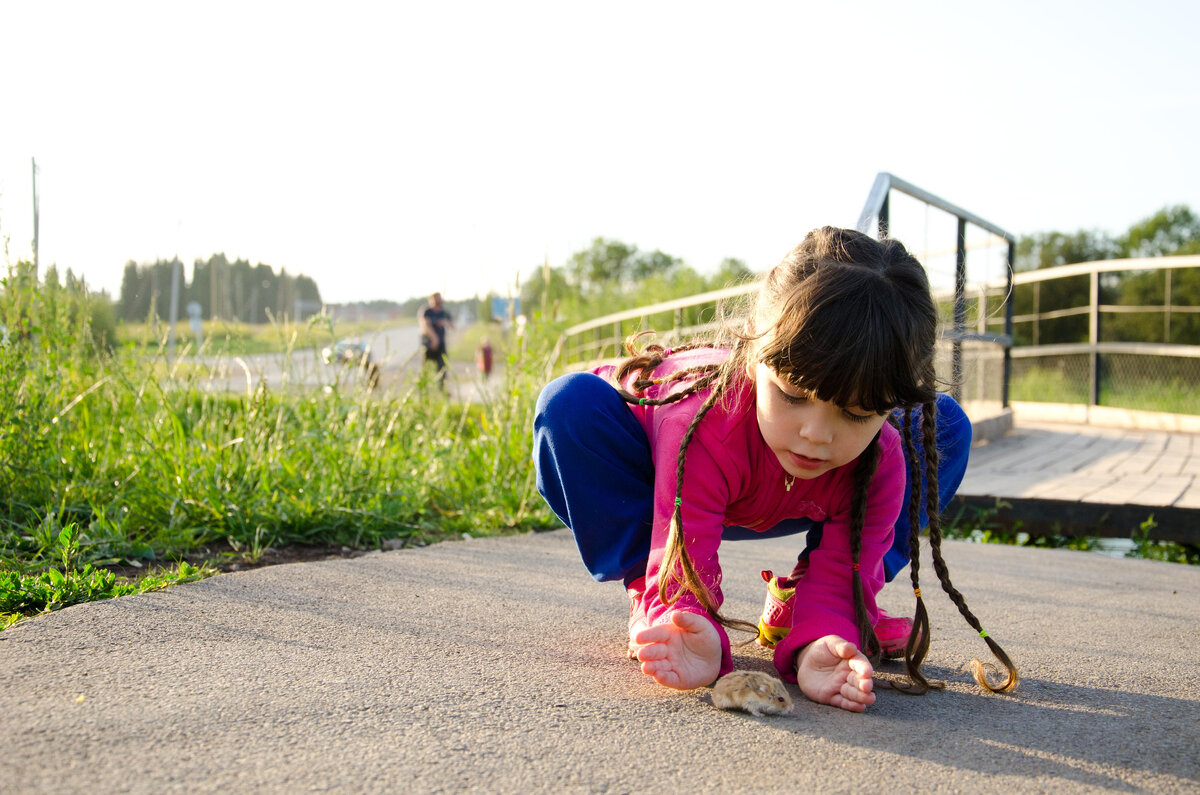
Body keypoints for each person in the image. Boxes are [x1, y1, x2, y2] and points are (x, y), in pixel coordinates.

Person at [533, 227, 1018, 713]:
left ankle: (831, 604)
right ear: (754, 355)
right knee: (568, 406)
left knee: (944, 429)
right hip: (657, 485)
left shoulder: (880, 453)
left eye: (856, 413)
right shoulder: (708, 422)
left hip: (799, 494)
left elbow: (857, 522)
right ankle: (650, 589)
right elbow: (685, 534)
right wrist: (686, 616)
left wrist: (824, 636)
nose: (816, 434)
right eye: (792, 394)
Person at [419, 292, 454, 390]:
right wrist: (435, 338)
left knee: (442, 368)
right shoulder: (427, 312)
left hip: (441, 346)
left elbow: (453, 325)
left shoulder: (444, 312)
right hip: (428, 344)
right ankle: (423, 390)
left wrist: (445, 322)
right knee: (425, 369)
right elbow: (424, 326)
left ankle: (441, 390)